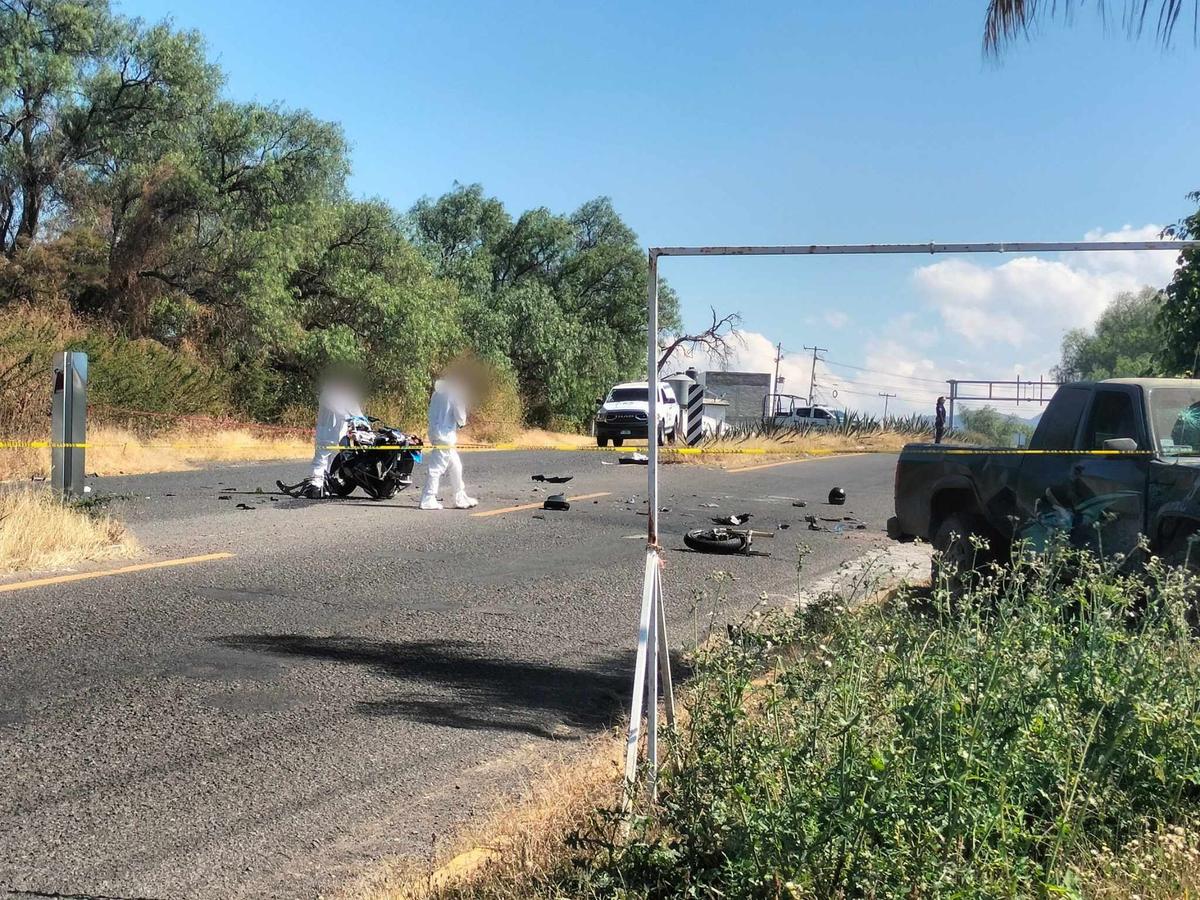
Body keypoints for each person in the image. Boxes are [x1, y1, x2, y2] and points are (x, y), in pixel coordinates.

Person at [279, 370, 365, 499]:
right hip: (333, 434)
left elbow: (355, 413)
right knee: (324, 459)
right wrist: (356, 419)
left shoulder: (335, 394)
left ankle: (317, 485)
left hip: (333, 434)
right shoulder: (330, 394)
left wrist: (362, 422)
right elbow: (341, 410)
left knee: (321, 460)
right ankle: (320, 485)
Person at [420, 374, 478, 510]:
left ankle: (460, 496)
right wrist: (462, 423)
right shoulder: (455, 393)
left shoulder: (436, 393)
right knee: (437, 468)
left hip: (436, 433)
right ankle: (428, 497)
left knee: (456, 466)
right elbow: (460, 415)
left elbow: (432, 413)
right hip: (445, 436)